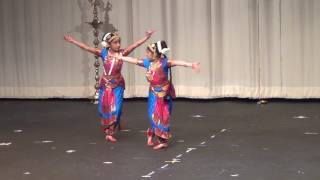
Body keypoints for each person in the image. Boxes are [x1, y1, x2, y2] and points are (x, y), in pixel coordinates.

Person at [64, 30, 155, 142]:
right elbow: (87, 48)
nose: (118, 45)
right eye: (115, 43)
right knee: (104, 109)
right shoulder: (104, 53)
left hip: (117, 84)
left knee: (116, 108)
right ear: (109, 44)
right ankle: (114, 123)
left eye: (119, 42)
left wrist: (146, 37)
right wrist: (73, 41)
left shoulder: (122, 53)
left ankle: (110, 132)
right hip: (105, 85)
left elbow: (135, 45)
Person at [114, 40, 200, 149]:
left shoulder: (164, 63)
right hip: (153, 93)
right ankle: (151, 133)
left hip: (163, 95)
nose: (146, 54)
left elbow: (178, 62)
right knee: (152, 116)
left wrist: (191, 64)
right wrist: (122, 58)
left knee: (162, 117)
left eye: (148, 53)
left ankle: (162, 141)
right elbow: (134, 60)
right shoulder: (147, 63)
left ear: (154, 53)